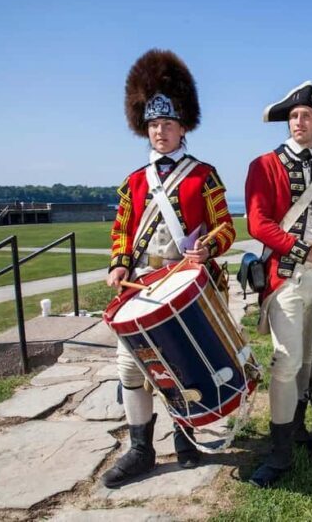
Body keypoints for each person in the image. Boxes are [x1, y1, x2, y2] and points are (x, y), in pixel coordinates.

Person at [102, 49, 236, 489]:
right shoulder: (134, 181)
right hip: (140, 287)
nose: (160, 131)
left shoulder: (205, 176)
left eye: (169, 124)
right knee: (131, 368)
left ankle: (185, 436)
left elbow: (225, 228)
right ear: (147, 128)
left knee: (181, 363)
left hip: (184, 285)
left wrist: (208, 249)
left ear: (183, 128)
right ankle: (140, 448)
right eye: (154, 125)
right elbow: (122, 229)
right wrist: (119, 265)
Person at [244, 81, 312, 488]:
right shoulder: (264, 165)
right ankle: (280, 452)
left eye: (306, 116)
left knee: (307, 361)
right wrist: (305, 251)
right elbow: (258, 224)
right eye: (293, 116)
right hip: (285, 277)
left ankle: (298, 427)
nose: (298, 122)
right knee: (286, 361)